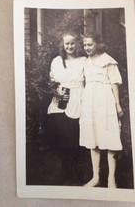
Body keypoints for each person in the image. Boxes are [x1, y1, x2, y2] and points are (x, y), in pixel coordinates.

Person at [79, 32, 123, 188]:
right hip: (90, 104)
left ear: (97, 43)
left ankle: (112, 179)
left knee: (110, 137)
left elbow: (114, 84)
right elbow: (83, 84)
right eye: (85, 45)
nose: (87, 47)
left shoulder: (108, 60)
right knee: (93, 140)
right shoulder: (85, 62)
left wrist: (117, 104)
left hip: (105, 102)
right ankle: (95, 177)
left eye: (90, 44)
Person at [47, 31, 86, 185]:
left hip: (78, 101)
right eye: (67, 43)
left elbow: (88, 82)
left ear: (77, 44)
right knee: (62, 139)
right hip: (60, 102)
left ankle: (75, 170)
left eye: (72, 43)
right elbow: (52, 83)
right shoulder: (56, 61)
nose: (69, 46)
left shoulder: (83, 61)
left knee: (75, 139)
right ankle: (65, 172)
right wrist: (57, 92)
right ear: (62, 45)